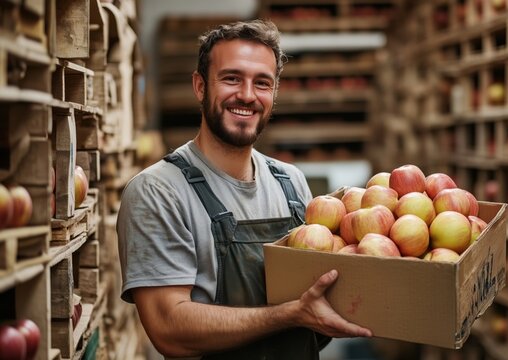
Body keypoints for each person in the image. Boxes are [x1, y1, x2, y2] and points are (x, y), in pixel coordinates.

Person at [117, 19, 372, 359]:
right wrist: (289, 315)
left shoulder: (291, 184)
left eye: (262, 83)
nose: (247, 96)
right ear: (200, 85)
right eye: (231, 78)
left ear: (275, 93)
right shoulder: (158, 191)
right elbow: (169, 328)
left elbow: (316, 306)